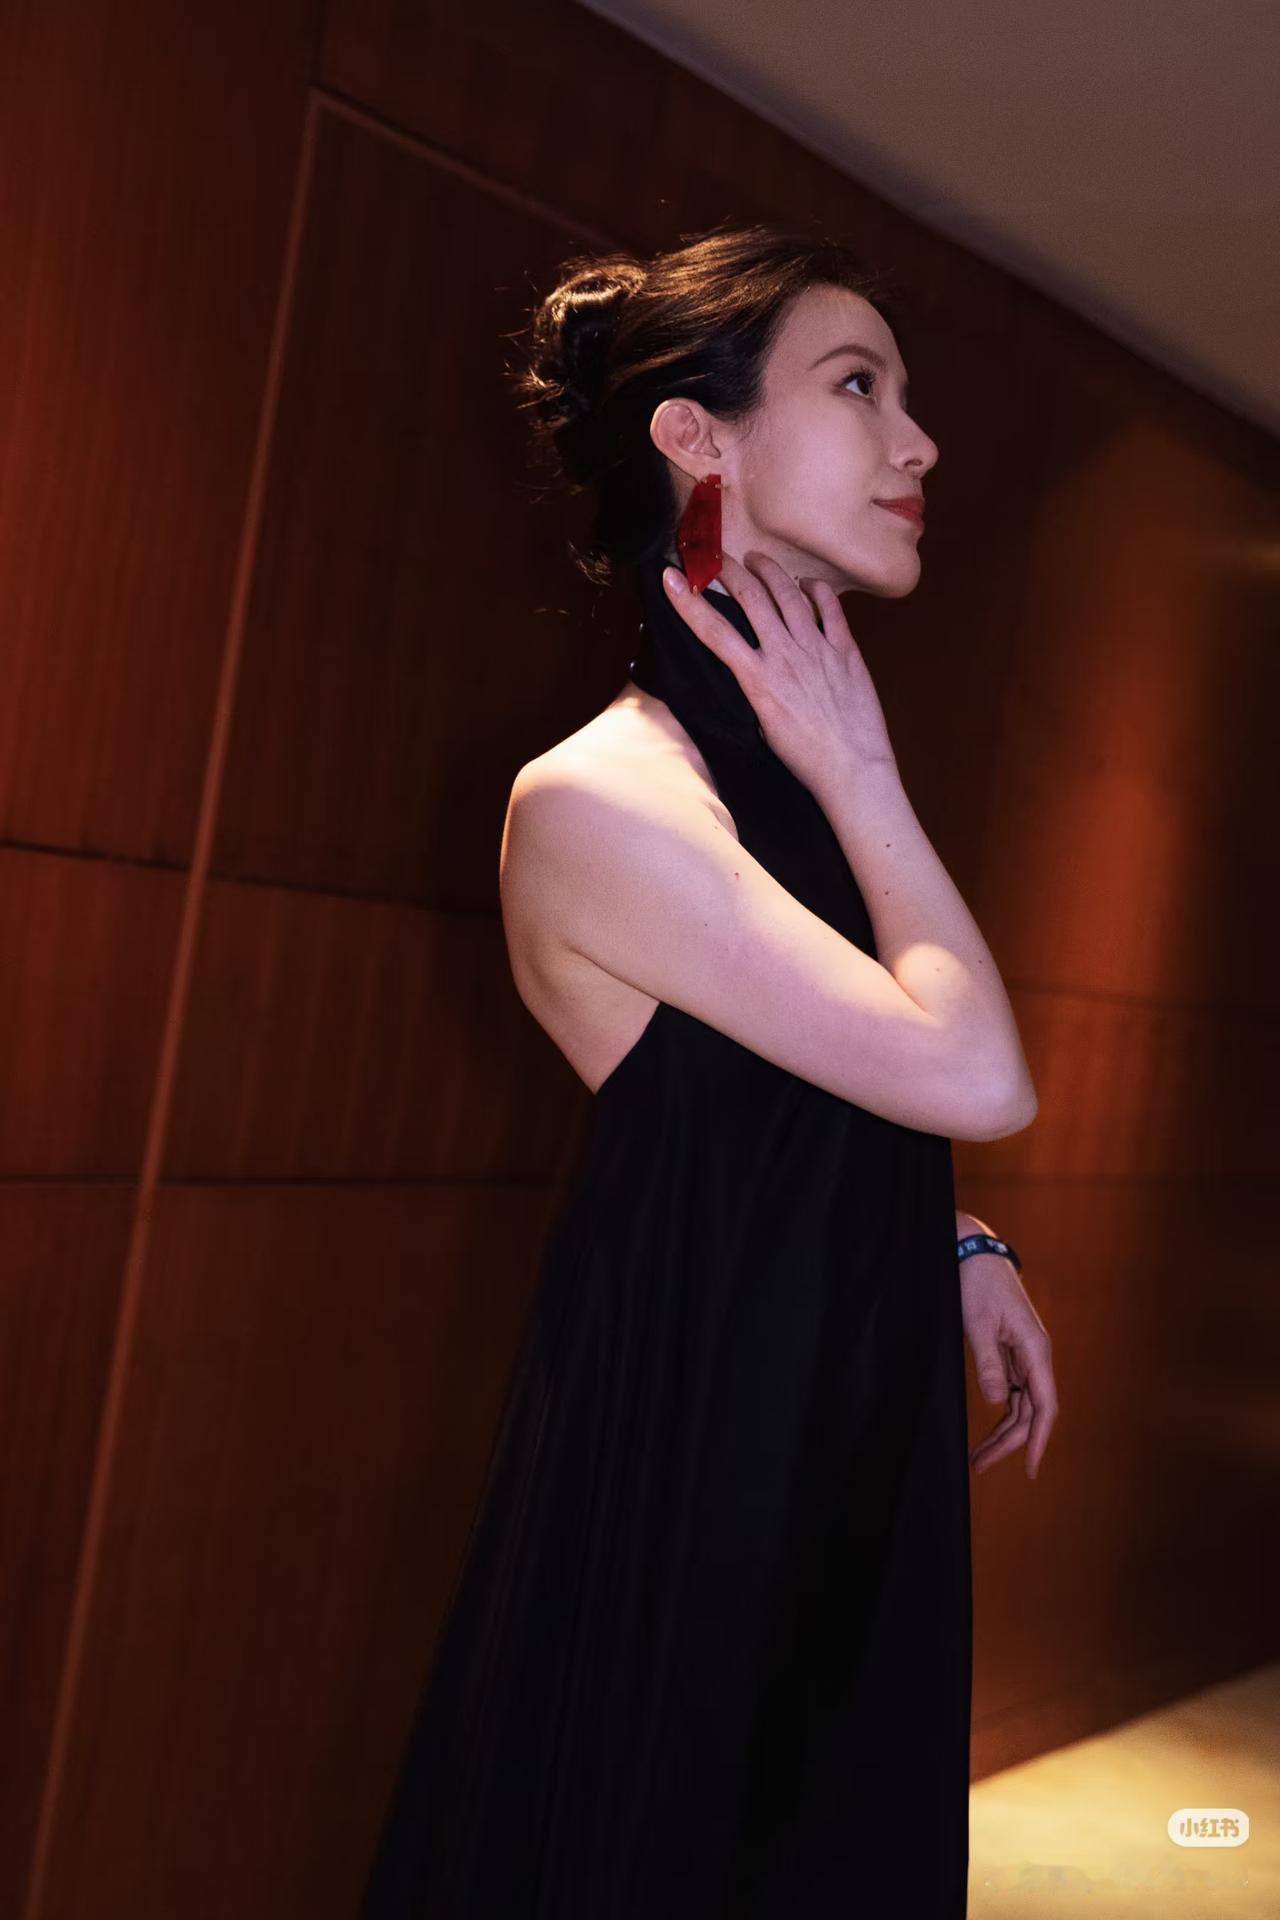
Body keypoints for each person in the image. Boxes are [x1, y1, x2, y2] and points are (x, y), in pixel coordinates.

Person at [359, 222, 1059, 1918]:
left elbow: (800, 1106)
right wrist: (866, 777)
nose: (919, 442)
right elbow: (977, 1077)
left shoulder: (791, 766)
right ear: (696, 436)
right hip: (705, 1457)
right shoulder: (605, 797)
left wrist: (948, 1238)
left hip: (833, 1411)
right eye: (858, 385)